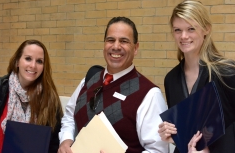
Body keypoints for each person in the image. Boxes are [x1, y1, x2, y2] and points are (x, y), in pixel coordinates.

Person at [58, 16, 169, 153]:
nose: (116, 46)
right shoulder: (88, 80)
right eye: (111, 40)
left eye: (124, 41)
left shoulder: (149, 94)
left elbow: (158, 151)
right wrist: (66, 140)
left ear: (135, 48)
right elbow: (69, 116)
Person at [158, 0, 235, 153]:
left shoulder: (227, 72)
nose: (183, 36)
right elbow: (187, 128)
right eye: (177, 30)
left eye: (191, 28)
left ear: (206, 29)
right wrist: (172, 135)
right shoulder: (171, 79)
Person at [0, 39, 63, 153]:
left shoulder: (50, 98)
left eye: (39, 61)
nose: (33, 65)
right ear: (17, 61)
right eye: (28, 58)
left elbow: (55, 142)